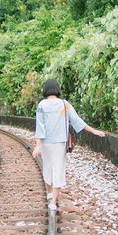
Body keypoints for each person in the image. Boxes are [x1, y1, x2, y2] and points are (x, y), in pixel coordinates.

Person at [33, 79, 106, 211]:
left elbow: (40, 127)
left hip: (46, 143)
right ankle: (53, 202)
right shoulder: (64, 104)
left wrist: (37, 146)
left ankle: (49, 194)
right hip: (60, 143)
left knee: (48, 167)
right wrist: (94, 131)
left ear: (45, 90)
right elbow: (77, 120)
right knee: (59, 169)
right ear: (57, 89)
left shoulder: (42, 105)